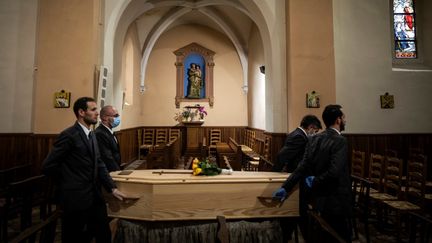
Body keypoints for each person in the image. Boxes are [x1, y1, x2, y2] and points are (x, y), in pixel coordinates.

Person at [42, 97, 126, 243]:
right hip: (75, 198)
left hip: (94, 195)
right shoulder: (69, 135)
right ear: (81, 112)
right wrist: (69, 183)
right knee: (74, 237)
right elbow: (48, 166)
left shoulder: (92, 134)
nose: (97, 114)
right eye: (93, 110)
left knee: (103, 234)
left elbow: (99, 164)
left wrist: (112, 188)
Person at [272, 104, 352, 242]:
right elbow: (334, 172)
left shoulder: (314, 139)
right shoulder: (340, 141)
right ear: (338, 120)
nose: (345, 120)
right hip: (336, 200)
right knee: (341, 237)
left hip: (318, 199)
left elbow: (302, 167)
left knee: (323, 235)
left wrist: (286, 187)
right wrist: (315, 180)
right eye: (344, 117)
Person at [272, 115, 321, 242]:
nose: (315, 134)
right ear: (311, 127)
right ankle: (287, 237)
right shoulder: (299, 137)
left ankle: (289, 236)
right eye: (315, 131)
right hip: (297, 178)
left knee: (297, 212)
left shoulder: (296, 133)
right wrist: (275, 173)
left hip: (295, 177)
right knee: (298, 211)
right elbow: (282, 156)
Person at [95, 105, 121, 172]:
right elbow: (107, 158)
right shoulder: (100, 133)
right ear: (104, 117)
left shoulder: (109, 131)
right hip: (108, 172)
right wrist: (117, 172)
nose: (118, 118)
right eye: (115, 116)